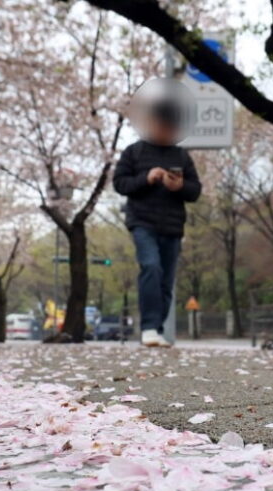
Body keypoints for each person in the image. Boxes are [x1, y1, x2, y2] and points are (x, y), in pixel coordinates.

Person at [112, 92, 202, 347]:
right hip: (142, 222)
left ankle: (157, 328)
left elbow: (195, 191)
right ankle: (149, 327)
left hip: (173, 226)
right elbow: (120, 183)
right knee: (150, 267)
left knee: (165, 281)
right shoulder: (134, 152)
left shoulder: (181, 157)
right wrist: (147, 178)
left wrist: (180, 187)